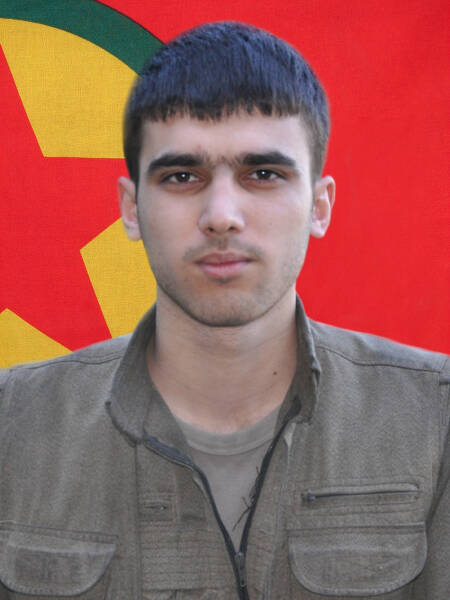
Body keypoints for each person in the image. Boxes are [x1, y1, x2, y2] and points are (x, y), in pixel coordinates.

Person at [0, 21, 448, 600]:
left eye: (262, 174)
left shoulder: (435, 421)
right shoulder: (12, 427)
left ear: (319, 206)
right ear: (131, 208)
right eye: (182, 176)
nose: (221, 216)